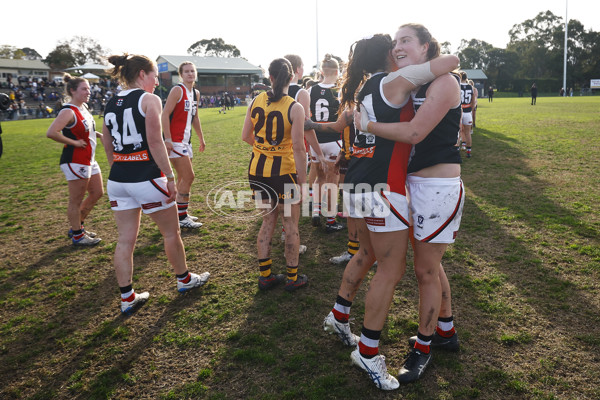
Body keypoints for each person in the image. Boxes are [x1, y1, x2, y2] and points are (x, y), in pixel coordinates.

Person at [323, 33, 458, 390]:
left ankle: (340, 316)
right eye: (395, 44)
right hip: (385, 188)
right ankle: (368, 353)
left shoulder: (367, 87)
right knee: (390, 270)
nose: (399, 49)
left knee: (368, 255)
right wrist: (419, 65)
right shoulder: (393, 80)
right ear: (387, 54)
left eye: (406, 41)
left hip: (360, 185)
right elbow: (450, 62)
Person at [102, 54, 210, 314]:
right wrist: (170, 177)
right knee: (171, 233)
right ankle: (184, 280)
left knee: (125, 240)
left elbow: (107, 141)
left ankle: (127, 297)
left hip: (118, 180)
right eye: (153, 76)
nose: (155, 81)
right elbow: (155, 141)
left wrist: (116, 167)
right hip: (147, 177)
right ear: (142, 74)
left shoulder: (110, 102)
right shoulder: (148, 99)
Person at [242, 58, 308, 292]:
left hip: (258, 171)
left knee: (267, 221)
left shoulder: (256, 101)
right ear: (291, 78)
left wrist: (265, 149)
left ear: (269, 77)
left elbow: (245, 136)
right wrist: (304, 181)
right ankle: (292, 277)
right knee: (290, 224)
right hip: (285, 173)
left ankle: (266, 276)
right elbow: (299, 148)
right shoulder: (295, 107)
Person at [46, 73, 103, 246]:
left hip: (89, 158)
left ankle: (77, 226)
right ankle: (78, 235)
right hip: (75, 159)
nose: (88, 92)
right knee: (75, 199)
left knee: (97, 192)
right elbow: (51, 133)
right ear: (72, 91)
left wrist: (98, 135)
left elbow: (86, 130)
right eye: (84, 89)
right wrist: (74, 142)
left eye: (89, 88)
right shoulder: (68, 110)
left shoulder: (83, 108)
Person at [161, 61, 205, 230]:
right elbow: (165, 114)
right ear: (180, 74)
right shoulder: (177, 90)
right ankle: (181, 217)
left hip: (187, 141)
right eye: (186, 71)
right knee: (189, 177)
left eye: (192, 71)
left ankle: (180, 212)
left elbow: (195, 117)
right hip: (176, 142)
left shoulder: (195, 93)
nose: (190, 74)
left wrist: (201, 138)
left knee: (182, 178)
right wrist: (168, 139)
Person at [308, 54, 345, 233]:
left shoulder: (311, 90)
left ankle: (316, 210)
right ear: (337, 72)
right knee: (332, 181)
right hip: (334, 140)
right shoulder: (340, 89)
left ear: (322, 71)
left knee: (318, 177)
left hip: (316, 141)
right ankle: (330, 219)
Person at [459, 71, 475, 158]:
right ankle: (468, 152)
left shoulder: (457, 86)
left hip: (459, 111)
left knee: (458, 132)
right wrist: (471, 110)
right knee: (467, 132)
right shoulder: (471, 87)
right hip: (467, 112)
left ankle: (456, 151)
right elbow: (473, 101)